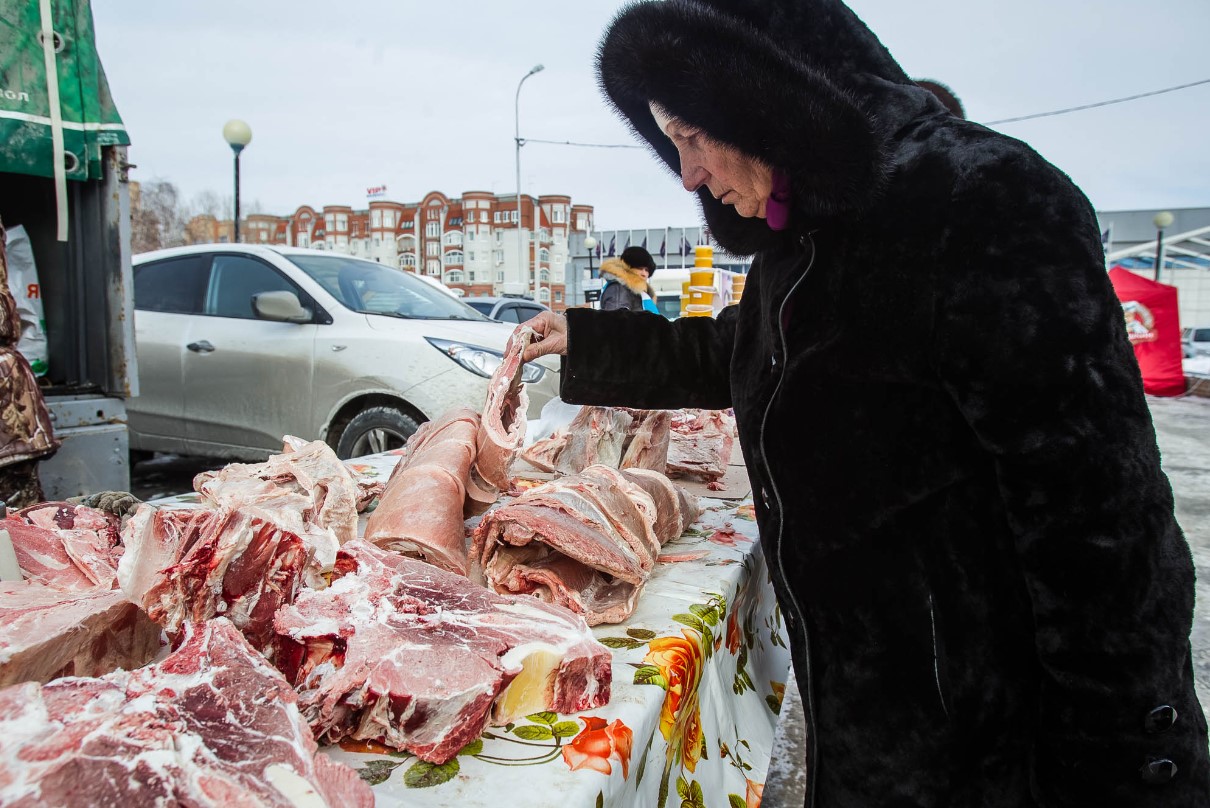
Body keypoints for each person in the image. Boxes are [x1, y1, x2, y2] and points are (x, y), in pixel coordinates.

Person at [520, 1, 1210, 805]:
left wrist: (1128, 763)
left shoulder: (977, 201)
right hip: (870, 727)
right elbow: (740, 352)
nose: (688, 176)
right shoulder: (805, 245)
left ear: (760, 96)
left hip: (993, 752)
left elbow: (1104, 528)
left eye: (691, 135)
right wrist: (588, 337)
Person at [598, 245, 660, 313]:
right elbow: (615, 320)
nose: (644, 274)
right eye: (640, 268)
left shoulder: (638, 292)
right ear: (628, 268)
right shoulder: (619, 289)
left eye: (647, 270)